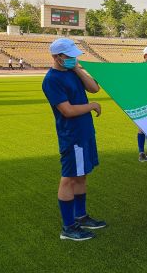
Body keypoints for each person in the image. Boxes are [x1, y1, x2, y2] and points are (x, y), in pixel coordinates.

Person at [42, 38, 106, 241]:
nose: (73, 58)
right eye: (69, 56)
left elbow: (94, 88)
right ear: (57, 57)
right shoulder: (51, 80)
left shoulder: (72, 72)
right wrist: (92, 106)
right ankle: (68, 227)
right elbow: (67, 110)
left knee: (82, 175)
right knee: (69, 178)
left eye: (74, 55)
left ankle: (81, 216)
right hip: (72, 136)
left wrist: (77, 68)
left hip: (84, 132)